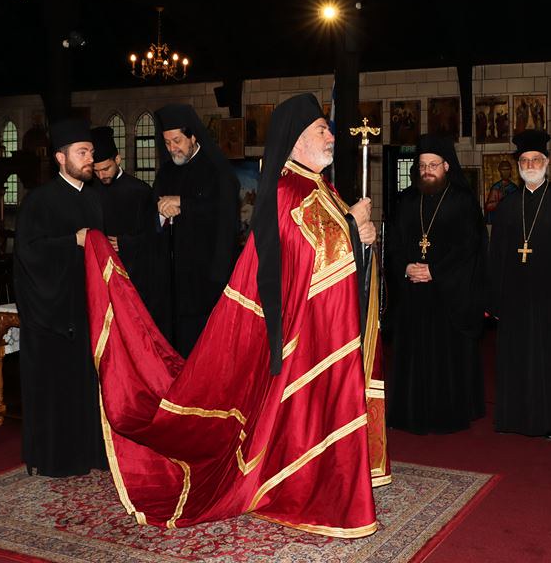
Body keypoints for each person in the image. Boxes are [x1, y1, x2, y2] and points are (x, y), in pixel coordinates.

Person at [84, 93, 383, 535]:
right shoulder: (288, 191)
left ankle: (337, 475)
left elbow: (318, 254)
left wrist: (360, 233)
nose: (330, 135)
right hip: (301, 329)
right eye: (321, 129)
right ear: (298, 140)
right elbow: (307, 256)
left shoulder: (318, 187)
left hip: (318, 327)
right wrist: (355, 233)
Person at [13, 118, 107, 477]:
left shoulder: (95, 200)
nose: (90, 160)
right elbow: (28, 253)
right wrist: (73, 242)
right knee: (56, 390)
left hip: (86, 310)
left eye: (91, 153)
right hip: (51, 316)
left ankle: (90, 453)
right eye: (82, 153)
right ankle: (55, 459)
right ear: (60, 158)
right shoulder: (40, 201)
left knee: (87, 385)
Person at [489, 129, 551, 440]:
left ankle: (550, 422)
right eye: (524, 160)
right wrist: (495, 300)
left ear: (546, 162)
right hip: (516, 297)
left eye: (536, 159)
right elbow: (496, 256)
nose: (530, 164)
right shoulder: (507, 206)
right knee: (516, 357)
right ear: (518, 164)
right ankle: (514, 417)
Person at [386, 133, 486, 435]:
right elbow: (393, 243)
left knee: (445, 357)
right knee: (413, 354)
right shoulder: (407, 201)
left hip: (448, 297)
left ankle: (447, 414)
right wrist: (406, 267)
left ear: (447, 166)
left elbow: (470, 248)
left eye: (433, 165)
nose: (427, 170)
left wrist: (435, 272)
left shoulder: (463, 201)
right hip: (413, 295)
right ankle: (409, 414)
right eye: (422, 165)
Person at [151, 103, 240, 358]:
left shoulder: (217, 170)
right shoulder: (167, 171)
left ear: (192, 136)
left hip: (207, 280)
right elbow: (151, 209)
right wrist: (160, 211)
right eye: (167, 143)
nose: (172, 148)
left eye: (177, 141)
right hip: (173, 280)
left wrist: (183, 203)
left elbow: (223, 212)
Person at [88, 126, 155, 295]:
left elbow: (154, 235)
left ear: (117, 159)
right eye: (96, 171)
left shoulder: (140, 191)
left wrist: (126, 243)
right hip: (98, 271)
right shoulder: (89, 192)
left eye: (106, 169)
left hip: (133, 274)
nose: (102, 176)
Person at [484, 158, 518, 223]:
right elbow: (488, 206)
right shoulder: (496, 187)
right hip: (499, 219)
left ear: (510, 170)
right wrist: (500, 202)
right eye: (503, 170)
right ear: (500, 171)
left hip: (511, 220)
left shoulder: (514, 188)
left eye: (507, 169)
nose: (505, 172)